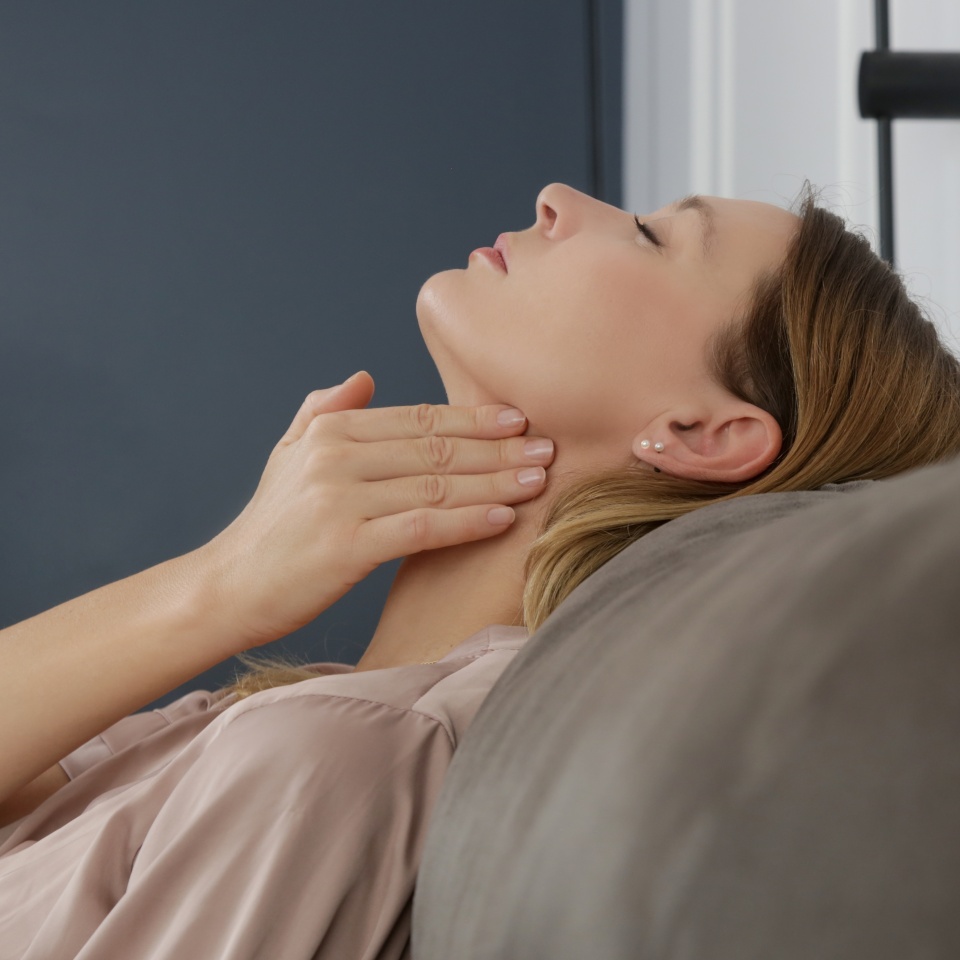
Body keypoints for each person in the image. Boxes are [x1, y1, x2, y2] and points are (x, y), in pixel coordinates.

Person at [1, 181, 959, 959]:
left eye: (650, 235)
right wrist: (220, 587)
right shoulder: (301, 715)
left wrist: (218, 589)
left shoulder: (347, 753)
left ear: (702, 433)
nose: (557, 199)